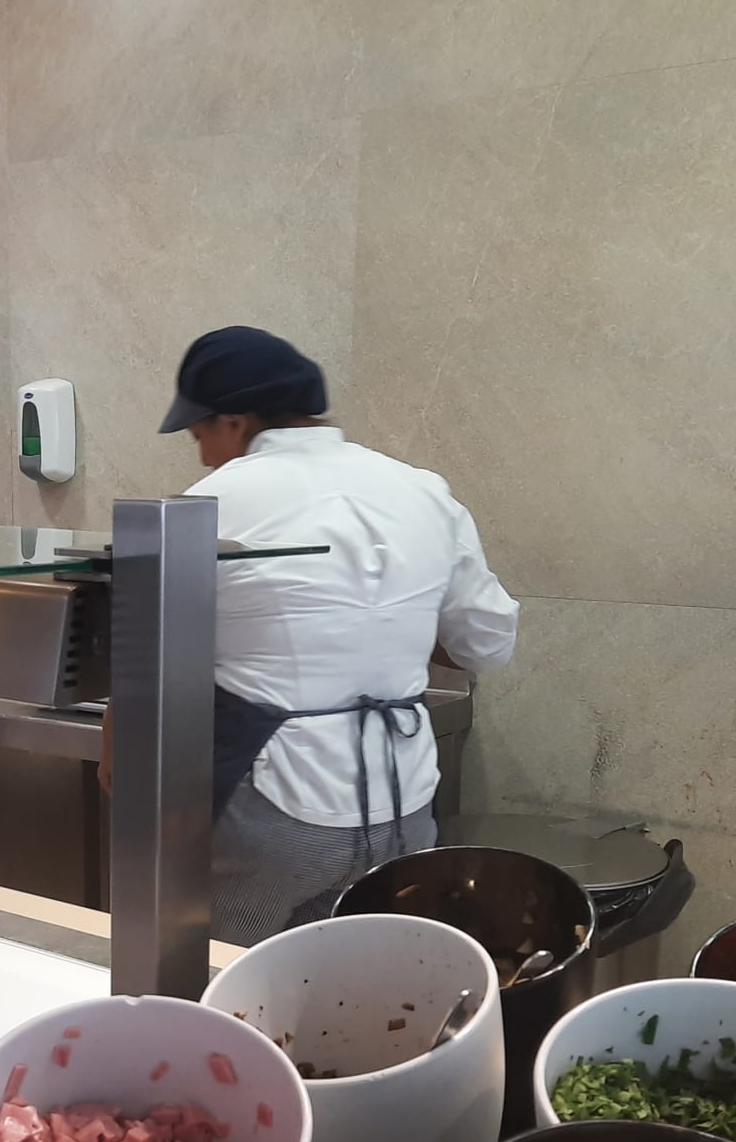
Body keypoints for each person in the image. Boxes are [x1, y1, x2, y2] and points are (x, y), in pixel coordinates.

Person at [144, 325, 520, 946]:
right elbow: (487, 644)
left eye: (200, 435)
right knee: (361, 985)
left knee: (220, 984)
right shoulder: (422, 490)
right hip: (403, 810)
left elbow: (152, 653)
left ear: (234, 421)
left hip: (271, 813)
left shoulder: (210, 501)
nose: (204, 456)